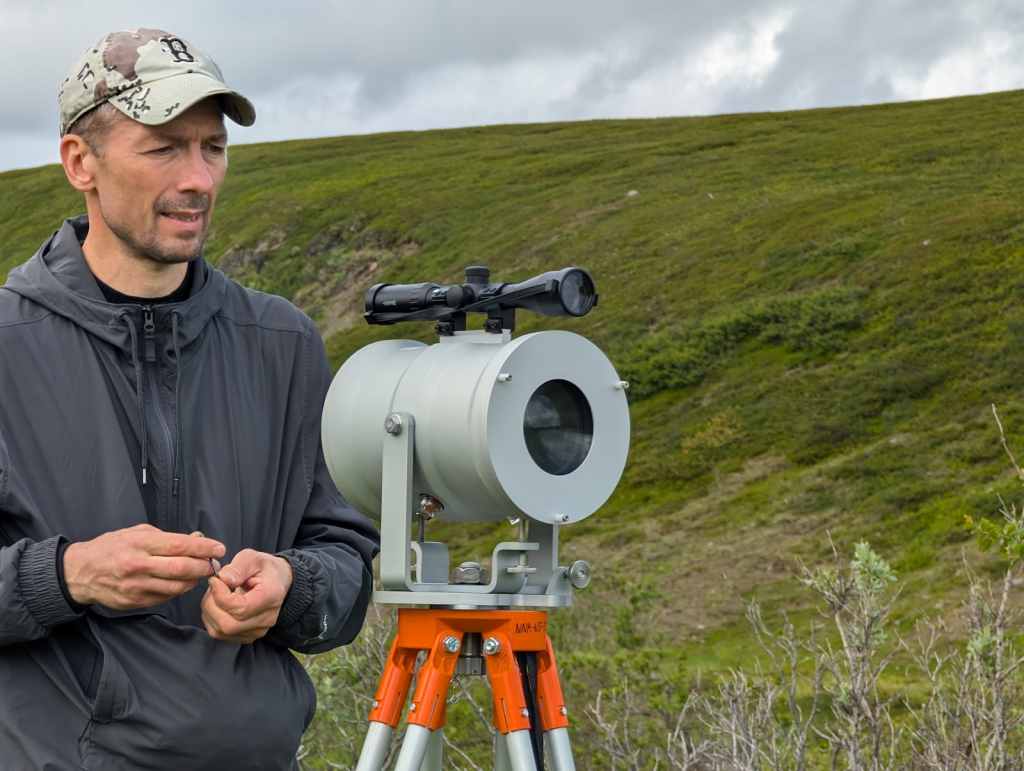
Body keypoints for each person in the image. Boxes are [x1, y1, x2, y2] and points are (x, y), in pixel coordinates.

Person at [0, 28, 380, 770]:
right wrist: (69, 573)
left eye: (213, 147)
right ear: (81, 161)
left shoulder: (283, 341)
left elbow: (347, 569)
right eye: (164, 148)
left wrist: (291, 586)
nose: (199, 179)